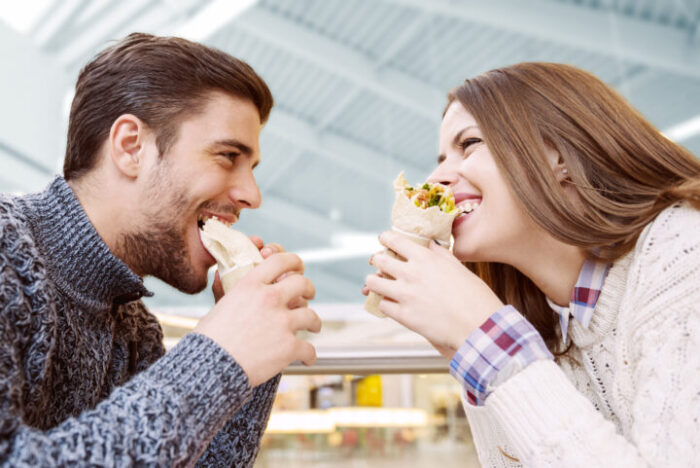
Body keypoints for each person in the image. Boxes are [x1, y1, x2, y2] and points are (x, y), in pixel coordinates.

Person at [0, 33, 321, 466]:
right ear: (132, 147)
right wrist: (219, 356)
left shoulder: (134, 330)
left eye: (252, 169)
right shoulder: (7, 255)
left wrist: (256, 355)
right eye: (228, 156)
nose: (252, 195)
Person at [364, 62, 700, 466]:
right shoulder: (562, 324)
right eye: (441, 157)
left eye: (468, 144)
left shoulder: (683, 253)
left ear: (559, 154)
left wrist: (489, 341)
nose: (436, 177)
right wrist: (466, 350)